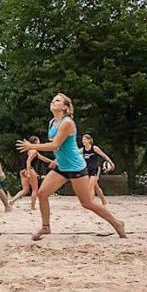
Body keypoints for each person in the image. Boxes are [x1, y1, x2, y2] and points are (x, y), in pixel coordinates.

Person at [16, 93, 126, 241]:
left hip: (75, 167)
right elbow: (60, 147)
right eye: (53, 100)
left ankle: (117, 223)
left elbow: (55, 145)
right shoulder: (52, 122)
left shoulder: (67, 123)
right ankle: (45, 226)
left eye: (58, 100)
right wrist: (56, 159)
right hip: (62, 166)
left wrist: (31, 146)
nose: (53, 102)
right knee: (42, 193)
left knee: (87, 203)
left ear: (65, 107)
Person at [8, 136, 53, 210]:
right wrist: (28, 173)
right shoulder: (34, 151)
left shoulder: (29, 150)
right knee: (35, 189)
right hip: (29, 170)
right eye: (38, 140)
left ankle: (12, 201)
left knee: (25, 190)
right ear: (35, 142)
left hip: (22, 171)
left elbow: (43, 158)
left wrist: (52, 162)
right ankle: (33, 206)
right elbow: (28, 161)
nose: (39, 141)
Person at [81, 133, 115, 205]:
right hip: (87, 169)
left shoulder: (94, 148)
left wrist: (111, 164)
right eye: (82, 139)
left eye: (84, 139)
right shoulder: (83, 149)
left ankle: (91, 203)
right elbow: (74, 153)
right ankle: (103, 200)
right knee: (96, 187)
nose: (83, 141)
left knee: (90, 186)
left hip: (95, 169)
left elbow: (104, 156)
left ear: (89, 140)